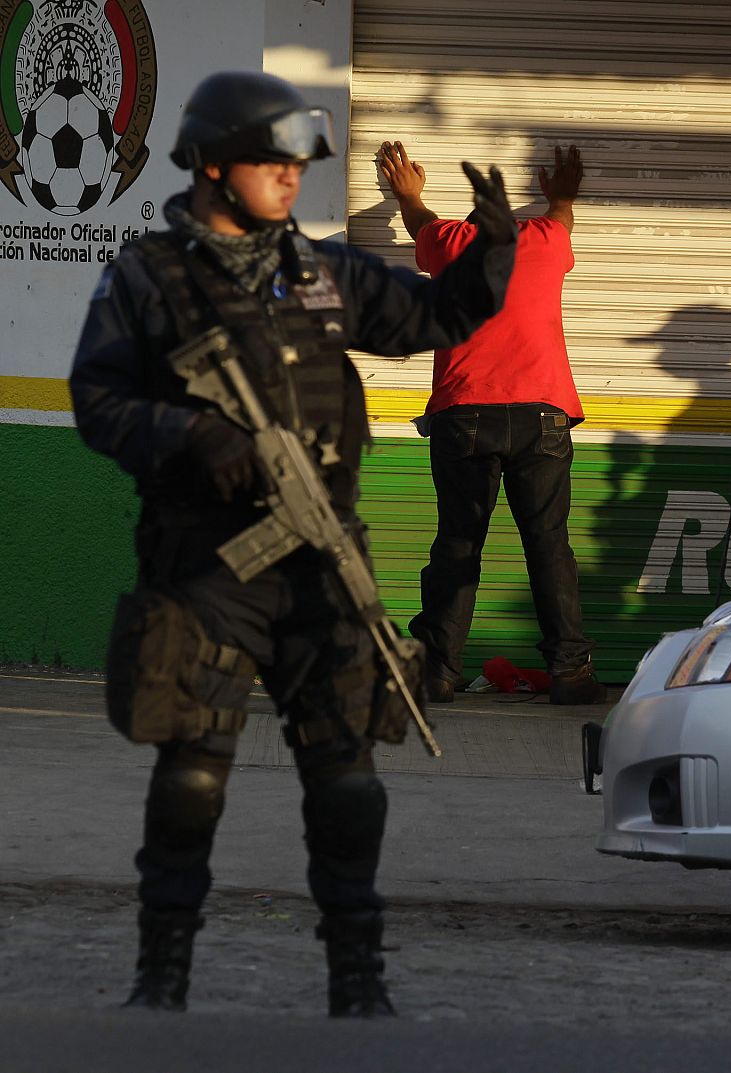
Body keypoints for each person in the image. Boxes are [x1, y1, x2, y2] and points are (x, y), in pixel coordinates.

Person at [69, 71, 517, 1017]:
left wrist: (492, 251)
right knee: (191, 775)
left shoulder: (321, 269)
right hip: (208, 566)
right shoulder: (148, 275)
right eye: (273, 162)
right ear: (215, 164)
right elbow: (98, 401)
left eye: (295, 164)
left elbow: (438, 316)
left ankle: (358, 979)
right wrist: (194, 437)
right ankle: (163, 975)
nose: (291, 179)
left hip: (322, 565)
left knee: (349, 779)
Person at [377, 139, 605, 706]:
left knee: (458, 543)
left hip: (465, 415)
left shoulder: (452, 244)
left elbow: (420, 222)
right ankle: (571, 673)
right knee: (549, 544)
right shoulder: (547, 241)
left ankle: (437, 672)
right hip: (543, 416)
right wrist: (562, 194)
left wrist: (409, 193)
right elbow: (560, 215)